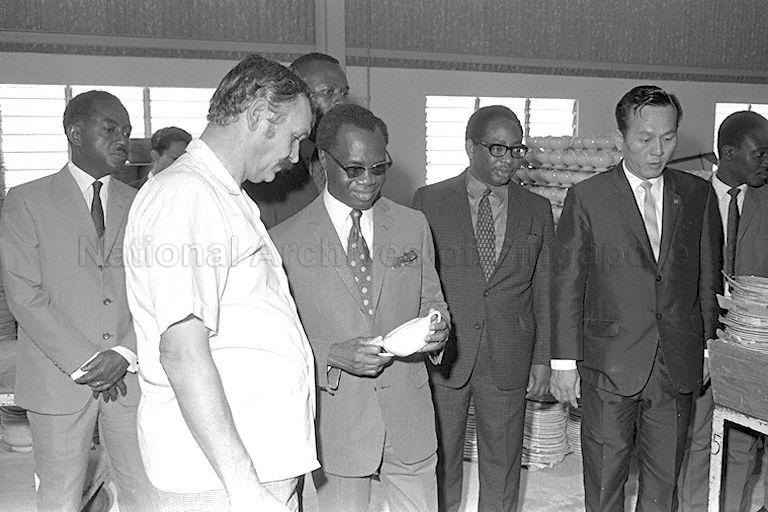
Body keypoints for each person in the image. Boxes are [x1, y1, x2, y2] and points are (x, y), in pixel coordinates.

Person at [123, 54, 317, 512]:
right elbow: (181, 349)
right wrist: (243, 487)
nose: (294, 157)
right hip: (222, 482)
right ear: (258, 116)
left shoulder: (223, 195)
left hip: (250, 466)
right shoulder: (186, 195)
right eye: (294, 138)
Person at [549, 85, 722, 511]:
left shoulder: (697, 195)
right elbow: (567, 284)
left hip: (675, 363)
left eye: (668, 138)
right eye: (645, 138)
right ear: (621, 137)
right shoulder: (587, 197)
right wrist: (563, 363)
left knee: (664, 485)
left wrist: (706, 349)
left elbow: (706, 278)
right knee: (605, 479)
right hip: (608, 363)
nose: (657, 150)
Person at [270, 103, 450, 512]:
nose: (368, 181)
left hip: (410, 418)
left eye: (379, 167)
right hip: (337, 424)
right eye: (354, 169)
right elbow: (275, 342)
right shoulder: (283, 241)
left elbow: (432, 301)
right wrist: (331, 354)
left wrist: (439, 328)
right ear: (322, 162)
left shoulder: (412, 225)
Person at [0, 90, 154, 512]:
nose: (123, 139)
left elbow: (155, 291)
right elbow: (24, 295)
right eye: (111, 129)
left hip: (132, 377)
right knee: (59, 500)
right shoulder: (25, 201)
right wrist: (89, 362)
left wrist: (124, 352)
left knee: (145, 496)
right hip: (57, 381)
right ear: (74, 132)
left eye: (127, 131)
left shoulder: (142, 203)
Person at [412, 105, 553, 512]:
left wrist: (542, 360)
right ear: (470, 147)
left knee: (503, 465)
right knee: (441, 461)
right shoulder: (429, 201)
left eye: (515, 149)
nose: (507, 160)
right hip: (447, 355)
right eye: (496, 148)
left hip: (509, 356)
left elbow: (542, 289)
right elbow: (419, 281)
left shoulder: (536, 209)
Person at [680, 110, 768, 512]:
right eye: (760, 152)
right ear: (728, 153)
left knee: (744, 443)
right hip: (698, 340)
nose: (767, 161)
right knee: (696, 437)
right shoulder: (686, 197)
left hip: (752, 345)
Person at [243, 52, 350, 228]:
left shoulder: (350, 162)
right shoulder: (266, 164)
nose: (341, 103)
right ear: (297, 94)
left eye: (344, 93)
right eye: (328, 92)